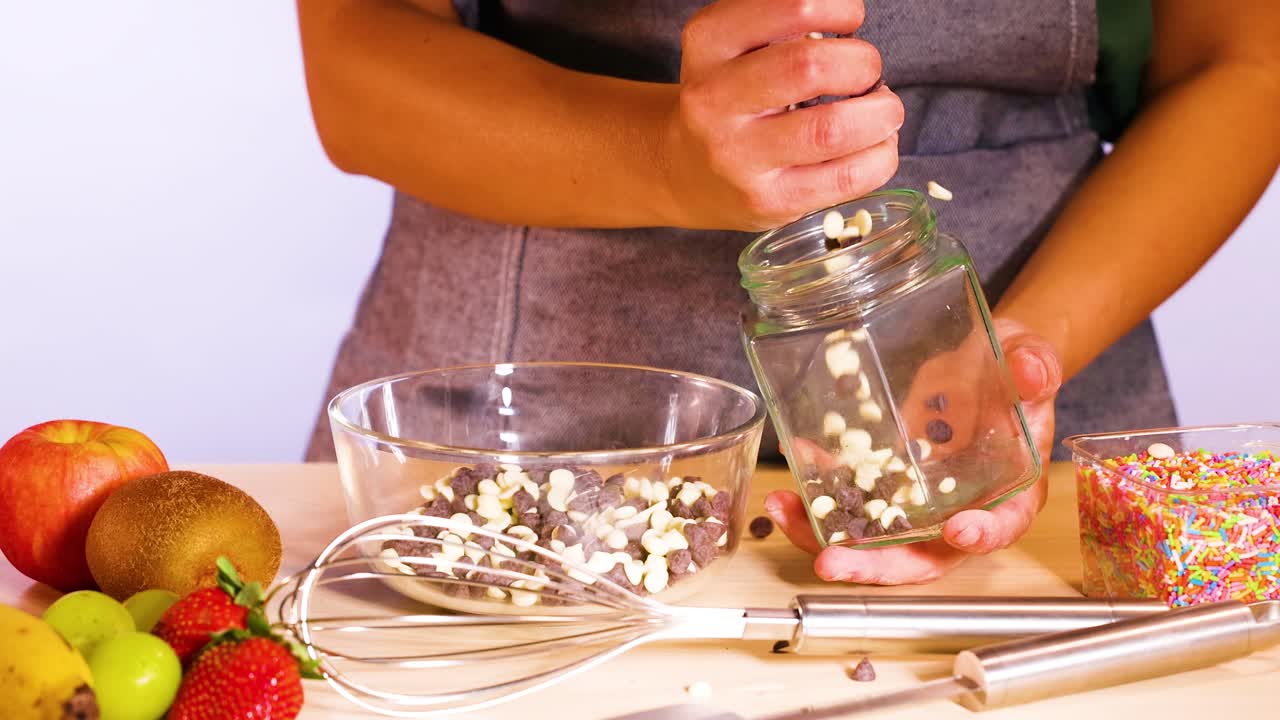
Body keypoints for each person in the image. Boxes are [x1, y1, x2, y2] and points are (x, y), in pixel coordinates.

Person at [295, 0, 1280, 585]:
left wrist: (1021, 352)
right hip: (521, 423)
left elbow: (1241, 61)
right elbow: (355, 49)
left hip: (1030, 418)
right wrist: (662, 160)